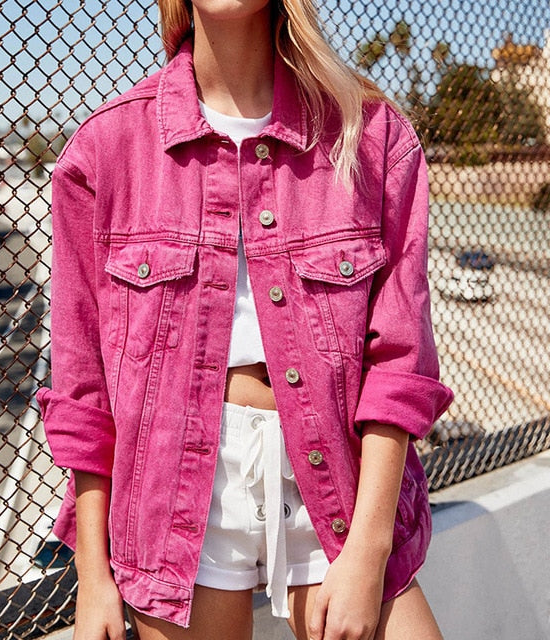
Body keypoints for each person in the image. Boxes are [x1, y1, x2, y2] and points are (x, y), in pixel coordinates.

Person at [36, 0, 454, 637]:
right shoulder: (107, 150)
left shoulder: (369, 137)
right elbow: (83, 385)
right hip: (175, 499)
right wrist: (92, 571)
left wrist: (368, 555)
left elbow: (399, 362)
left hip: (339, 482)